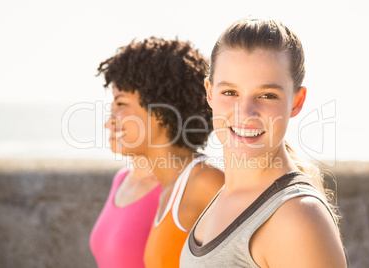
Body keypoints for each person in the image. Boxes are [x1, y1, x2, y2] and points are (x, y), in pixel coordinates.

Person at [180, 17, 348, 267]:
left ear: (297, 101)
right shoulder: (225, 196)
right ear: (209, 92)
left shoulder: (298, 217)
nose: (245, 112)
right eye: (230, 92)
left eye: (267, 95)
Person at [90, 37, 225, 268]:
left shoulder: (205, 182)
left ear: (159, 109)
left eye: (121, 105)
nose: (108, 123)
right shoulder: (122, 179)